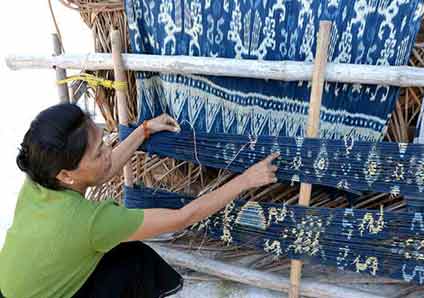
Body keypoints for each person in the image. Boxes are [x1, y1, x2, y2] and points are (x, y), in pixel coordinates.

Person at [0, 103, 279, 298]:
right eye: (99, 152)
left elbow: (104, 171)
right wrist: (246, 180)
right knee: (136, 263)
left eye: (104, 141)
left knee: (123, 254)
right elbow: (183, 217)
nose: (108, 150)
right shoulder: (91, 222)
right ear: (66, 175)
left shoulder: (38, 178)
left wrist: (143, 130)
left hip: (14, 288)